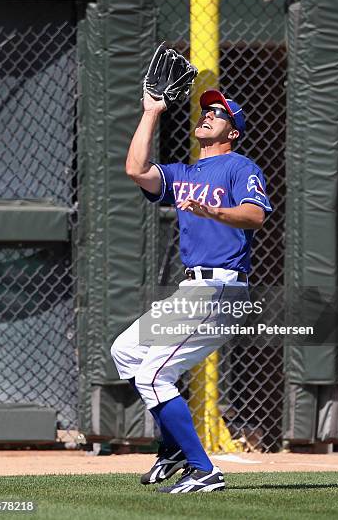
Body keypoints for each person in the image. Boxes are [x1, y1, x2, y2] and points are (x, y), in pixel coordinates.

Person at [111, 89, 272, 493]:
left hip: (220, 288)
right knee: (125, 351)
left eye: (218, 113)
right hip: (192, 289)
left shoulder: (240, 166)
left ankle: (204, 470)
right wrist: (151, 112)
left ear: (232, 131)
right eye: (205, 111)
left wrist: (215, 211)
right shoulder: (184, 174)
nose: (207, 115)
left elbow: (255, 215)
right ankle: (174, 449)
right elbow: (136, 169)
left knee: (153, 374)